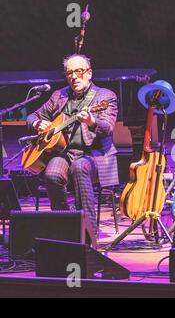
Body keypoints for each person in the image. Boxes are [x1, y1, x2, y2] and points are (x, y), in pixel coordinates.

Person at [27, 54, 119, 238]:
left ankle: (88, 233)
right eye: (69, 73)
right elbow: (32, 116)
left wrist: (92, 121)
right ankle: (65, 225)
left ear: (89, 73)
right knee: (52, 174)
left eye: (79, 71)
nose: (74, 76)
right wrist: (37, 124)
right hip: (64, 153)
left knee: (79, 168)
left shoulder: (105, 96)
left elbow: (107, 128)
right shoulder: (58, 96)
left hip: (94, 156)